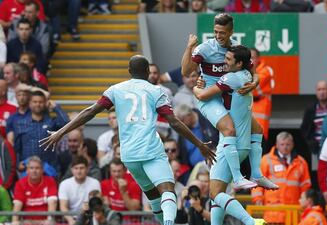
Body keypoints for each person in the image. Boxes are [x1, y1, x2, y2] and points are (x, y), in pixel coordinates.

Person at [39, 55, 216, 225]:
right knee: (167, 189)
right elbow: (174, 122)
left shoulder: (115, 89)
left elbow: (89, 112)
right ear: (147, 71)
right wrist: (199, 144)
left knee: (152, 193)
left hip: (129, 155)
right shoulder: (155, 90)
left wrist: (60, 132)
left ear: (129, 70)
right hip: (150, 150)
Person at [181, 13, 275, 190]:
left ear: (231, 31)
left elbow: (254, 71)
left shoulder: (237, 51)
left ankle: (257, 174)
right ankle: (238, 177)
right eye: (215, 31)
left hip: (226, 97)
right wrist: (189, 48)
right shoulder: (205, 49)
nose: (218, 36)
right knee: (229, 129)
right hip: (209, 98)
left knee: (257, 129)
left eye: (222, 32)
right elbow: (186, 71)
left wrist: (254, 83)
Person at [192, 45, 267, 225]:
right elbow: (252, 68)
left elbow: (202, 96)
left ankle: (251, 222)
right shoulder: (246, 75)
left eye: (228, 60)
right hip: (239, 144)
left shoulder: (231, 78)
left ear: (239, 63)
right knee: (218, 192)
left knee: (215, 194)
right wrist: (256, 79)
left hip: (231, 145)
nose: (224, 62)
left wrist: (196, 88)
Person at [251, 132, 311, 224]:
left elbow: (305, 187)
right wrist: (257, 198)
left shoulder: (301, 162)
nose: (285, 147)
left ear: (292, 145)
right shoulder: (266, 160)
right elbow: (258, 182)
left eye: (288, 144)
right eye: (282, 144)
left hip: (293, 214)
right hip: (272, 213)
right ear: (277, 145)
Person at [15, 90, 68, 173]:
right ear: (30, 103)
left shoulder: (52, 122)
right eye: (35, 102)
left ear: (45, 103)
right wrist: (18, 163)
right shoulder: (20, 123)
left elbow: (66, 123)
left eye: (41, 102)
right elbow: (17, 147)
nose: (38, 104)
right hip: (28, 168)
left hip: (49, 167)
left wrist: (56, 107)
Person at [300, 81, 327, 189]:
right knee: (320, 173)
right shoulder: (311, 109)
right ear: (316, 92)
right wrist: (311, 143)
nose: (322, 92)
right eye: (319, 89)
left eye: (324, 89)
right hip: (318, 147)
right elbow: (304, 129)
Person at [12, 156, 58, 224]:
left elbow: (52, 203)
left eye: (37, 168)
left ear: (42, 170)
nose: (34, 171)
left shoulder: (50, 181)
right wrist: (14, 221)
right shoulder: (20, 183)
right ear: (27, 170)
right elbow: (17, 205)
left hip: (45, 221)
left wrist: (49, 220)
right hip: (26, 221)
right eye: (31, 168)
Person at [58, 156, 101, 225]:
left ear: (87, 169)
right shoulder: (64, 184)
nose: (79, 171)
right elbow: (63, 206)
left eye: (82, 168)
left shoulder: (95, 182)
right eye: (76, 168)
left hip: (90, 218)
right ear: (71, 170)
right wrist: (71, 220)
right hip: (72, 218)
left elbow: (97, 205)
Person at [250, 48, 274, 139]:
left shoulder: (265, 71)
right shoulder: (244, 72)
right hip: (247, 116)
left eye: (253, 58)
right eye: (248, 58)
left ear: (258, 58)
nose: (250, 61)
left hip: (260, 121)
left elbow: (253, 87)